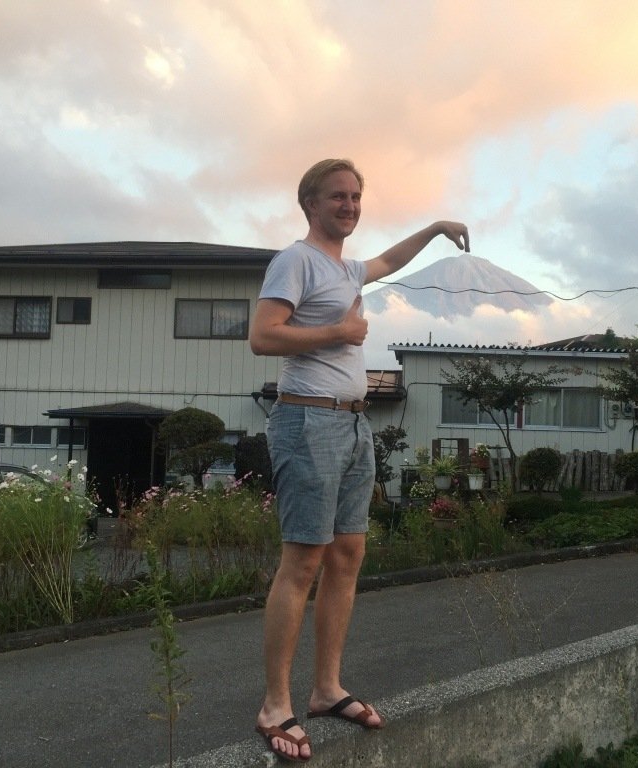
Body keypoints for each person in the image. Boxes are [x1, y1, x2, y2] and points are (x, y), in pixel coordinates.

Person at [249, 158, 469, 762]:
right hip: (307, 421)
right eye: (337, 196)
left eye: (355, 196)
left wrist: (435, 228)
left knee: (347, 556)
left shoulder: (346, 269)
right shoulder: (295, 260)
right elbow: (263, 336)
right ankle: (274, 705)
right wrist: (337, 335)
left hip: (352, 423)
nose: (348, 205)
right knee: (303, 561)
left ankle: (326, 689)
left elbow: (388, 261)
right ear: (310, 204)